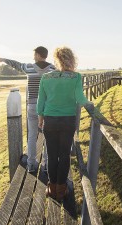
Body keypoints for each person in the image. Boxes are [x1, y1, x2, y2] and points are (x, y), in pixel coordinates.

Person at [37, 47, 94, 200]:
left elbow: (41, 100)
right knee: (64, 155)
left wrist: (40, 119)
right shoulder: (75, 77)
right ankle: (61, 189)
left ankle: (51, 187)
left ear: (56, 59)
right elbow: (80, 98)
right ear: (71, 59)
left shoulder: (46, 77)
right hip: (67, 121)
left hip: (50, 120)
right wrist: (90, 104)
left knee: (51, 154)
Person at [0, 46, 55, 173]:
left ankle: (31, 165)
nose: (33, 56)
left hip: (33, 106)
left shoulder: (29, 68)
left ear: (39, 55)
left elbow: (16, 65)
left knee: (32, 135)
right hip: (47, 107)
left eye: (34, 54)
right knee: (47, 137)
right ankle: (46, 165)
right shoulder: (52, 69)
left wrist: (3, 59)